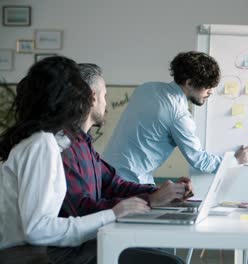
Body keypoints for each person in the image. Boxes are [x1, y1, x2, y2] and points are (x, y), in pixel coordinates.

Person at [0, 56, 183, 264]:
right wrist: (115, 213)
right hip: (36, 256)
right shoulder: (43, 144)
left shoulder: (49, 142)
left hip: (45, 251)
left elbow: (110, 182)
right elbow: (37, 230)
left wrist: (153, 196)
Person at [58, 63, 190, 263]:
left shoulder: (83, 143)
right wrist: (150, 200)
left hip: (93, 240)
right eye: (104, 95)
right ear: (92, 97)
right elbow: (82, 210)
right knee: (170, 262)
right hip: (72, 252)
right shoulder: (65, 148)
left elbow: (113, 183)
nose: (105, 103)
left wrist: (161, 192)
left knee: (162, 249)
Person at [103, 51, 248, 184]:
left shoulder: (146, 88)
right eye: (207, 87)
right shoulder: (179, 115)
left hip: (105, 173)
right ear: (189, 83)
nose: (210, 92)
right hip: (127, 183)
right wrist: (235, 160)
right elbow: (199, 160)